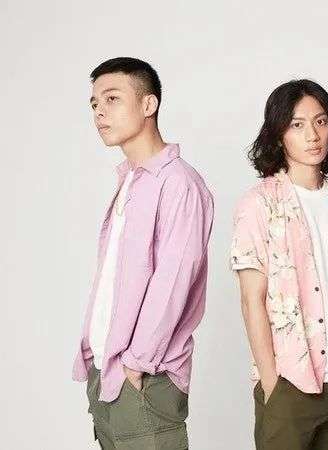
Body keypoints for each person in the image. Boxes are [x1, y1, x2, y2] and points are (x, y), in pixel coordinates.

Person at [72, 57, 214, 449]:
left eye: (112, 99)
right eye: (94, 103)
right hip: (108, 372)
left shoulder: (180, 183)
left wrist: (136, 363)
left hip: (145, 377)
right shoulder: (131, 181)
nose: (99, 112)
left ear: (148, 104)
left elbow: (173, 281)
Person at [231, 79, 328, 450]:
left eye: (321, 122)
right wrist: (271, 382)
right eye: (297, 124)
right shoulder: (259, 205)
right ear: (278, 136)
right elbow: (251, 300)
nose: (312, 135)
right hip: (291, 382)